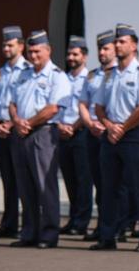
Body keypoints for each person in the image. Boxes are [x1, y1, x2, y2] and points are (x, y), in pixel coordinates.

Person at [90, 23, 139, 252]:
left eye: (122, 41)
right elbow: (98, 106)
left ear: (134, 45)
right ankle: (108, 236)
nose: (117, 45)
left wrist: (122, 128)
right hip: (111, 136)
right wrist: (109, 126)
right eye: (116, 41)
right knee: (108, 188)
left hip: (133, 135)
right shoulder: (109, 75)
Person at [8, 30, 69, 249]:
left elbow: (53, 108)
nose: (33, 56)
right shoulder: (23, 74)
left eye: (37, 51)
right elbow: (12, 103)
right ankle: (29, 232)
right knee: (25, 187)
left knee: (45, 186)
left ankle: (49, 234)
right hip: (21, 133)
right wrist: (17, 120)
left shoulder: (57, 76)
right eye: (30, 52)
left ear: (48, 50)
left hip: (43, 133)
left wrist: (29, 123)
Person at [0, 26, 28, 239]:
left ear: (21, 46)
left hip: (17, 129)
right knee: (8, 180)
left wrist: (12, 124)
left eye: (10, 45)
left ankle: (28, 225)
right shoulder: (0, 72)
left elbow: (26, 104)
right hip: (0, 129)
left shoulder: (28, 70)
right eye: (4, 45)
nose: (6, 49)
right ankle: (9, 224)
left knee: (23, 179)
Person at [79, 29, 117, 241]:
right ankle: (103, 225)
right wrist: (89, 123)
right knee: (98, 183)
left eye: (106, 48)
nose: (102, 52)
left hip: (111, 132)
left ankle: (117, 225)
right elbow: (83, 103)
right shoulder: (92, 75)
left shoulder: (119, 73)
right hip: (93, 132)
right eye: (100, 49)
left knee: (114, 184)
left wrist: (105, 125)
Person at [58, 36, 93, 236]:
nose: (71, 58)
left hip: (80, 132)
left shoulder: (89, 79)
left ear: (84, 57)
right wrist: (61, 126)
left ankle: (82, 221)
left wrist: (74, 126)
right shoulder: (63, 78)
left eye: (75, 54)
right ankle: (73, 218)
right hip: (63, 133)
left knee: (83, 180)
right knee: (70, 179)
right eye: (69, 54)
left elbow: (89, 108)